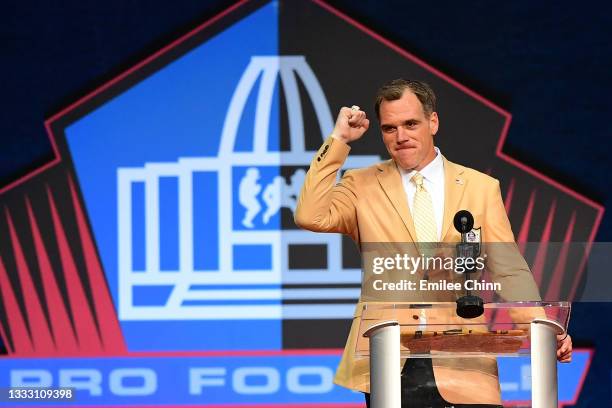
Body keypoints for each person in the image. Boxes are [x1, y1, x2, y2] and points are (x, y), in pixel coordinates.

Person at [294, 79, 572, 407]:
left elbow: (509, 270)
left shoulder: (480, 187)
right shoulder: (361, 184)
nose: (401, 136)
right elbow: (310, 215)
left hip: (464, 358)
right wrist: (339, 140)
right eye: (389, 128)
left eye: (411, 123)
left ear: (433, 122)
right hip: (389, 356)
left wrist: (541, 327)